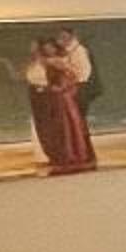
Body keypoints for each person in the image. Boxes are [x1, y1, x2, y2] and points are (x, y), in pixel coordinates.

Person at [24, 36, 95, 175]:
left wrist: (59, 88)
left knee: (66, 128)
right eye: (45, 48)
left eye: (50, 47)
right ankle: (62, 156)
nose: (48, 50)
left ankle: (71, 156)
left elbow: (71, 77)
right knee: (57, 129)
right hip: (53, 99)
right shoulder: (45, 61)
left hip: (61, 100)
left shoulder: (58, 61)